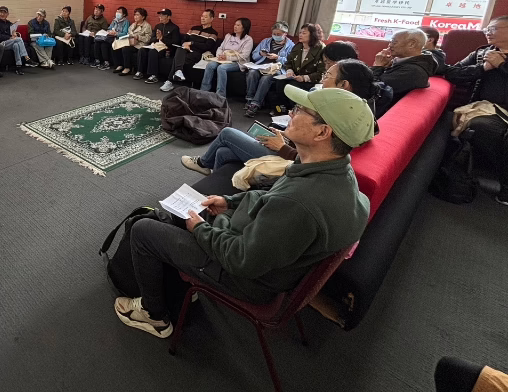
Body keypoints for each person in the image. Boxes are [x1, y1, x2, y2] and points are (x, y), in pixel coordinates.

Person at [117, 86, 373, 338]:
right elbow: (269, 197)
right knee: (187, 212)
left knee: (143, 230)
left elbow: (240, 261)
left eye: (300, 110)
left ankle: (154, 316)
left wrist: (201, 229)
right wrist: (229, 202)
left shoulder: (300, 202)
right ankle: (178, 282)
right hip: (259, 249)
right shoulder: (334, 172)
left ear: (323, 132)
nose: (291, 113)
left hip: (246, 279)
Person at [183, 59, 390, 174]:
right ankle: (216, 183)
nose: (322, 79)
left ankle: (203, 163)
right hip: (291, 150)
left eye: (327, 75)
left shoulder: (344, 116)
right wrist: (288, 135)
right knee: (223, 153)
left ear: (344, 85)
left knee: (227, 133)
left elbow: (313, 161)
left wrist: (282, 146)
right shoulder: (358, 110)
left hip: (287, 160)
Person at [444, 15, 508, 205]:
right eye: (487, 29)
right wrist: (483, 68)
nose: (488, 32)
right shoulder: (482, 52)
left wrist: (502, 65)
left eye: (494, 28)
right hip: (486, 111)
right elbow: (453, 73)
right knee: (482, 126)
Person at [243, 21, 295, 118]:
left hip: (276, 69)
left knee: (265, 78)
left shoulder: (291, 46)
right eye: (274, 34)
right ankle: (249, 99)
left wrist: (278, 57)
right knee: (252, 73)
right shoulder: (265, 41)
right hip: (262, 66)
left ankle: (255, 104)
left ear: (285, 34)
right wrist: (260, 54)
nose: (276, 36)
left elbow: (290, 62)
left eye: (278, 34)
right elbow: (254, 56)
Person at [160, 9, 219, 92]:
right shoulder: (194, 28)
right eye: (202, 16)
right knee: (180, 49)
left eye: (205, 17)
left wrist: (192, 43)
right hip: (186, 50)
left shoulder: (213, 33)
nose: (202, 18)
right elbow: (184, 39)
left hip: (198, 53)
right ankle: (178, 72)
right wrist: (185, 44)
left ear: (212, 19)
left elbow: (207, 46)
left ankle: (170, 81)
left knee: (178, 59)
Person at [371, 28, 435, 102]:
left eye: (394, 42)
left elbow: (372, 89)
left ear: (412, 44)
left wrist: (378, 66)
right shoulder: (406, 63)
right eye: (390, 42)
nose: (389, 46)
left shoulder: (412, 71)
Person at [276, 23, 326, 109]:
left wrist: (304, 78)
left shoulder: (321, 49)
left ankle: (296, 110)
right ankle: (283, 108)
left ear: (313, 35)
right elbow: (289, 62)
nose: (300, 35)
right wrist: (289, 70)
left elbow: (322, 72)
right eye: (300, 32)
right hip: (296, 77)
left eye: (304, 33)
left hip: (311, 81)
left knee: (293, 86)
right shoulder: (298, 46)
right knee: (279, 83)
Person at [200, 17, 254, 97]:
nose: (235, 27)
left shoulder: (248, 39)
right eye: (235, 25)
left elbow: (244, 56)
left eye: (238, 25)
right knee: (210, 65)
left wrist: (227, 58)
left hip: (237, 62)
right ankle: (204, 91)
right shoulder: (228, 36)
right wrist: (219, 55)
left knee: (221, 68)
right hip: (223, 59)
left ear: (244, 27)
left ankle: (220, 95)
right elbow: (220, 48)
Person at [134, 8, 181, 83]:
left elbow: (175, 42)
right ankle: (140, 71)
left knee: (153, 52)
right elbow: (151, 38)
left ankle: (153, 75)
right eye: (160, 16)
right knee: (142, 50)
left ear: (169, 17)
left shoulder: (174, 28)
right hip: (156, 45)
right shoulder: (158, 26)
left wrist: (162, 38)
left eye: (163, 16)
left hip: (167, 48)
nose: (160, 17)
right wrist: (156, 39)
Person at [0, 6, 37, 75]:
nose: (2, 14)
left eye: (4, 13)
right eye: (1, 12)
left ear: (7, 14)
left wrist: (14, 34)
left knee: (16, 45)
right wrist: (10, 37)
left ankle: (18, 67)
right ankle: (27, 58)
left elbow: (12, 33)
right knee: (19, 39)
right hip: (0, 44)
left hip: (10, 42)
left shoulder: (9, 23)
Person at [114, 8, 152, 76]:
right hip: (130, 42)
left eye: (137, 15)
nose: (135, 17)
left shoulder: (147, 26)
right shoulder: (133, 24)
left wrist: (138, 37)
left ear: (143, 17)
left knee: (126, 49)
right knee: (117, 44)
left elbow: (148, 39)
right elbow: (129, 33)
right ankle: (120, 65)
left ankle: (127, 68)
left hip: (139, 45)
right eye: (135, 15)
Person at [95, 6, 129, 71]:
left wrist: (116, 33)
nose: (117, 13)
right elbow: (109, 28)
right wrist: (110, 31)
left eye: (119, 12)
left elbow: (125, 33)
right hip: (111, 37)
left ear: (124, 14)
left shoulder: (126, 22)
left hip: (118, 38)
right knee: (101, 43)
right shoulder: (114, 20)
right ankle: (104, 61)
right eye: (117, 11)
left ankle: (111, 64)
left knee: (105, 44)